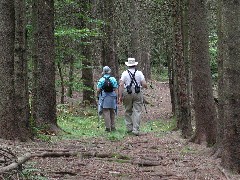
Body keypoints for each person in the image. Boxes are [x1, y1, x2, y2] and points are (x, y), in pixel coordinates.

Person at [118, 58, 147, 136]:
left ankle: (129, 128)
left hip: (127, 92)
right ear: (135, 65)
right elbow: (144, 84)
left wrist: (120, 96)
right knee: (137, 111)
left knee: (128, 110)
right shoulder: (139, 73)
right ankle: (136, 129)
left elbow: (121, 84)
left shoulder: (124, 73)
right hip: (138, 92)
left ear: (128, 65)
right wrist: (141, 87)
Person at [97, 66, 118, 132]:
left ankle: (107, 128)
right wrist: (117, 96)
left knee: (105, 112)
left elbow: (98, 89)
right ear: (109, 71)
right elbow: (115, 88)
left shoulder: (101, 79)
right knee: (112, 111)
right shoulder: (113, 79)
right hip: (112, 96)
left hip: (104, 97)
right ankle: (113, 126)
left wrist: (97, 95)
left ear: (103, 72)